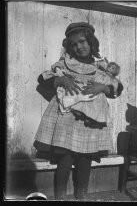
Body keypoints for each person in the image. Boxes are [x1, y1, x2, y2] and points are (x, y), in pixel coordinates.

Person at [33, 22, 123, 200]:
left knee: (85, 157)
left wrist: (102, 88)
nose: (78, 47)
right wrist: (62, 81)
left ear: (91, 42)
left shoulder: (101, 66)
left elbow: (117, 88)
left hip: (92, 119)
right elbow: (43, 79)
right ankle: (60, 195)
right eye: (73, 44)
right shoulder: (66, 63)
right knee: (65, 156)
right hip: (67, 116)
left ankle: (81, 193)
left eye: (82, 41)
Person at [54, 59, 121, 123]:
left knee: (95, 105)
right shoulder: (100, 72)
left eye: (113, 68)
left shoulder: (112, 79)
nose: (110, 68)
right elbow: (93, 75)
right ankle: (74, 109)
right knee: (80, 96)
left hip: (98, 92)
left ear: (115, 72)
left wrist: (105, 87)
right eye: (109, 66)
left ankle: (89, 117)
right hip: (90, 86)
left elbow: (115, 88)